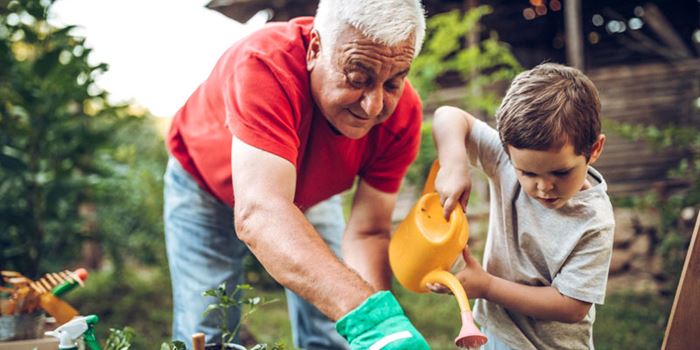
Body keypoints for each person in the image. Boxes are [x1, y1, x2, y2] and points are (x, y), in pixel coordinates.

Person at [164, 0, 430, 349]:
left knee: (333, 329)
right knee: (208, 326)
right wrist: (370, 316)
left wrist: (384, 327)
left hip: (306, 196)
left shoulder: (402, 116)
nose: (374, 106)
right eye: (358, 78)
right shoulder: (265, 64)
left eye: (393, 83)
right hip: (203, 185)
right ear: (316, 49)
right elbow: (261, 212)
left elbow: (368, 232)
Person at [429, 63, 615, 349]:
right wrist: (455, 165)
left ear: (594, 150)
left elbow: (571, 307)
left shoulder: (594, 221)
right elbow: (447, 116)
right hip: (493, 334)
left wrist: (487, 286)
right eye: (528, 174)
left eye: (560, 173)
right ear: (507, 151)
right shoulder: (505, 160)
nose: (543, 187)